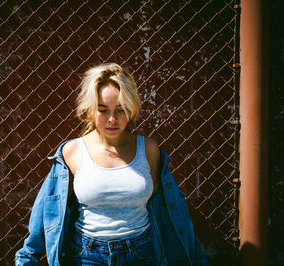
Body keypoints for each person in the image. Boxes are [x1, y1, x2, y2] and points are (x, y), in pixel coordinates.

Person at [15, 63, 209, 265]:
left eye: (120, 110)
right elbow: (47, 213)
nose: (112, 119)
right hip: (86, 256)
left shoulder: (149, 150)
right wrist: (27, 259)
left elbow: (173, 214)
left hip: (142, 254)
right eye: (103, 110)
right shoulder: (72, 152)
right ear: (90, 110)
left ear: (131, 108)